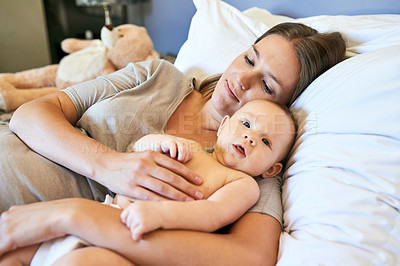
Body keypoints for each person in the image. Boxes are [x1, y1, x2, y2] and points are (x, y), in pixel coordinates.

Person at [0, 22, 346, 265]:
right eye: (249, 59)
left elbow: (250, 256)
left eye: (267, 86)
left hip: (42, 235)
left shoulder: (251, 165)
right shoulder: (158, 75)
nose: (241, 79)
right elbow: (31, 114)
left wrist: (75, 216)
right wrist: (108, 165)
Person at [9, 99, 296, 265]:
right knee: (16, 251)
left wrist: (159, 215)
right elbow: (137, 149)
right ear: (223, 126)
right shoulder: (188, 146)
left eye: (266, 141)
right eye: (246, 124)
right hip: (107, 212)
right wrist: (160, 142)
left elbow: (210, 215)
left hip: (139, 241)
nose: (250, 137)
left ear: (271, 170)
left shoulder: (243, 184)